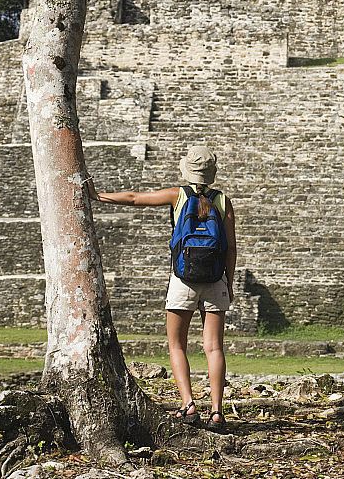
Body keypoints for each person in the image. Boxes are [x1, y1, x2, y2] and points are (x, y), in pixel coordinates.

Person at [87, 145, 236, 430]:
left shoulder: (178, 195)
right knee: (214, 347)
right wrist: (228, 282)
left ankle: (189, 405)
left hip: (183, 280)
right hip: (216, 280)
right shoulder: (223, 201)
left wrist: (98, 196)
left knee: (176, 344)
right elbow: (230, 248)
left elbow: (134, 198)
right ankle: (216, 412)